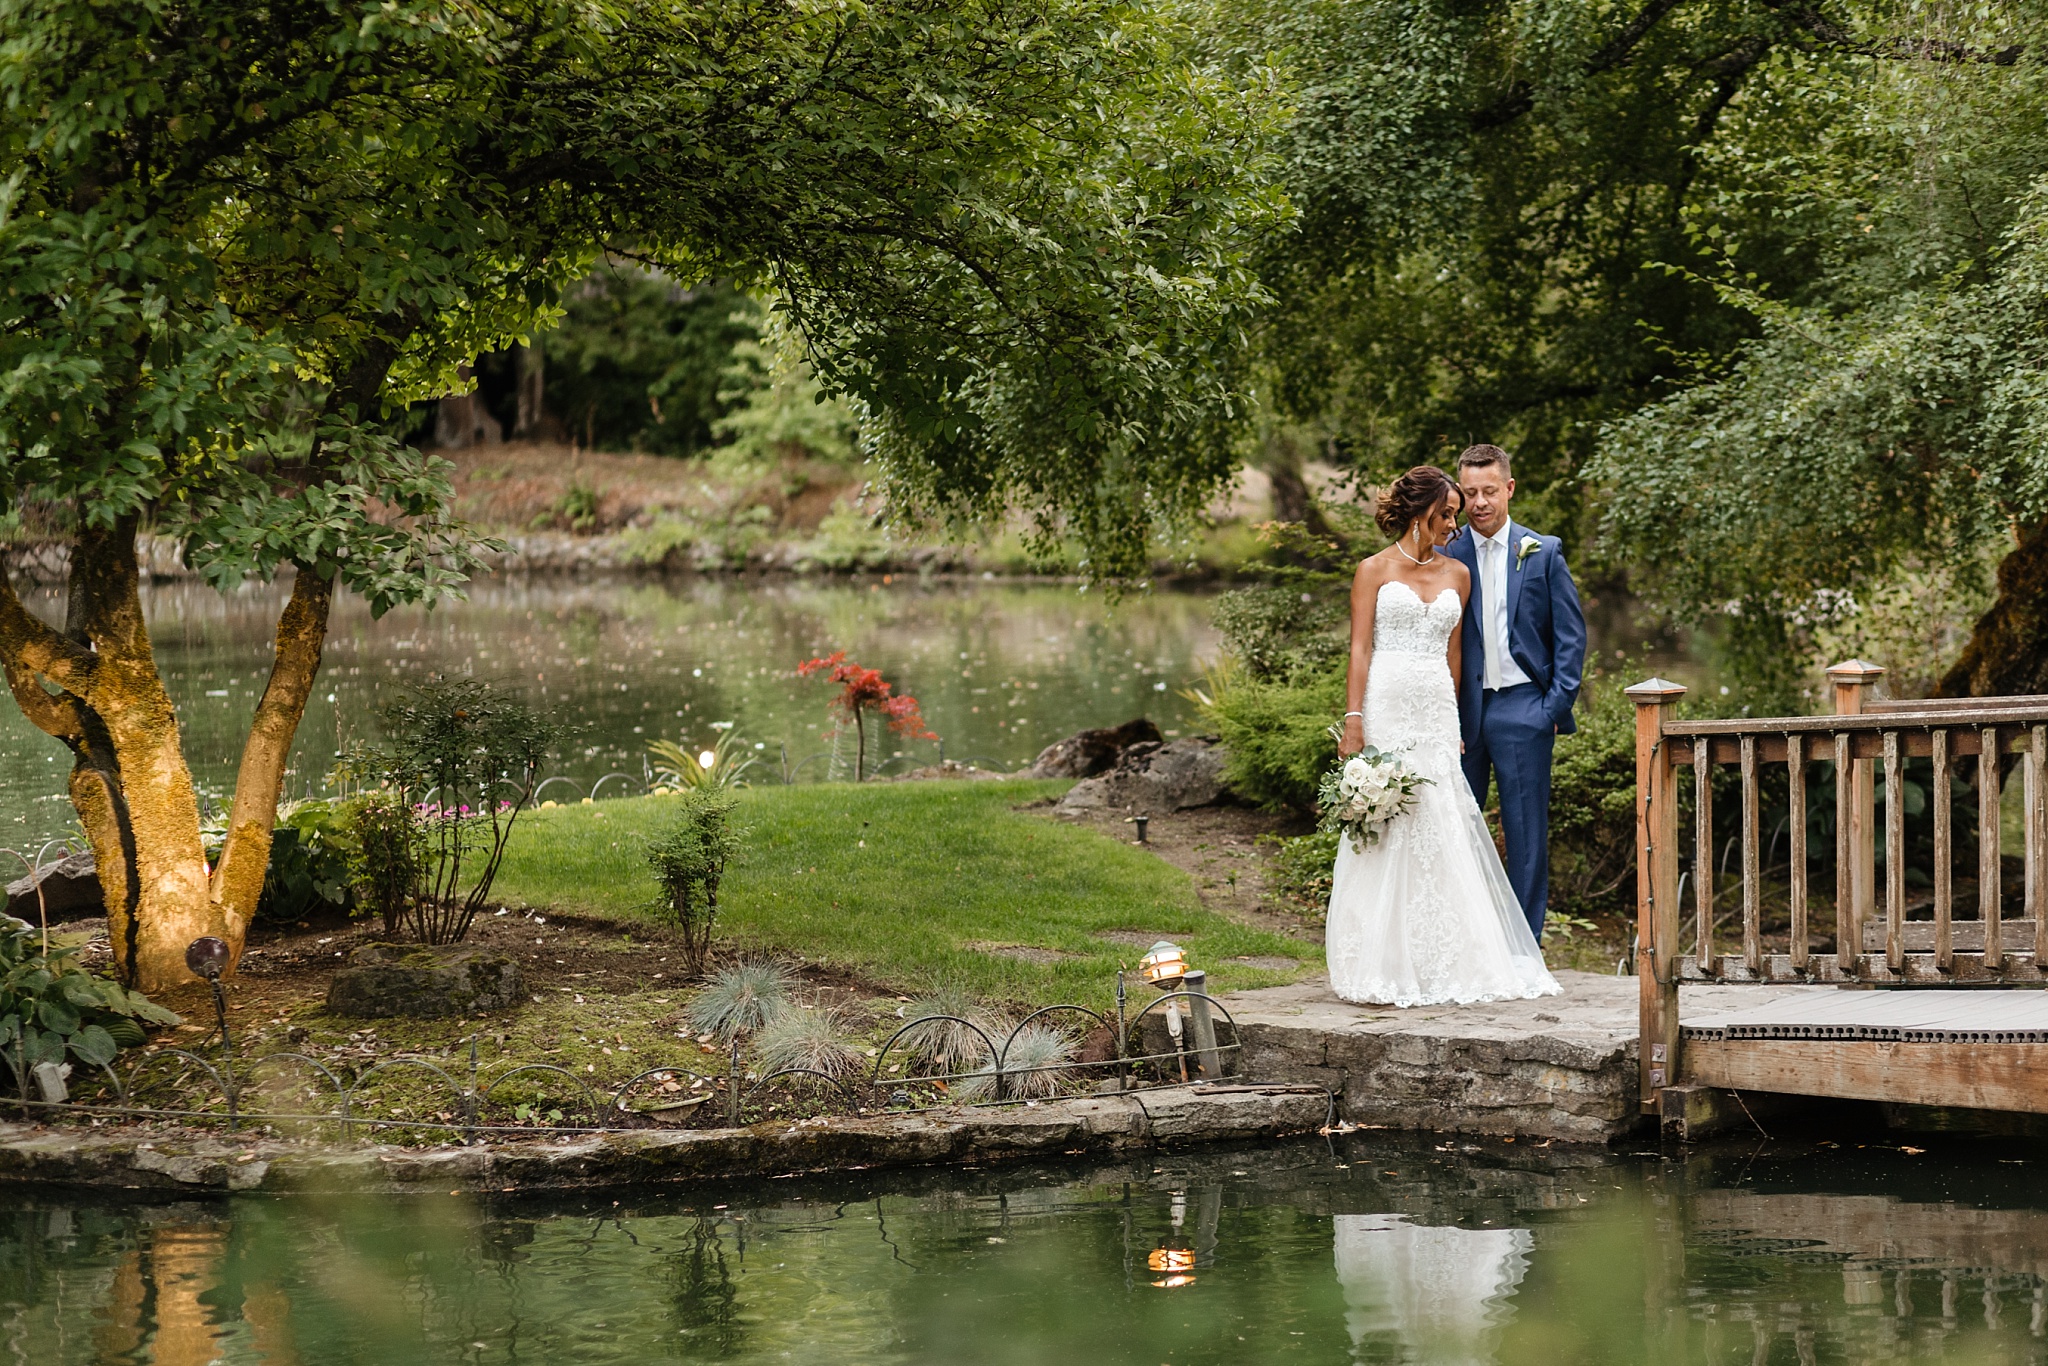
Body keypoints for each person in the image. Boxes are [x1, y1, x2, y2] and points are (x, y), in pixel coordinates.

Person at [1328, 465, 1559, 1007]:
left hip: (1435, 711)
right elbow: (1360, 649)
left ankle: (1445, 955)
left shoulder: (1458, 573)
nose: (1456, 523)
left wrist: (1454, 723)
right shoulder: (1372, 570)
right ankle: (1383, 956)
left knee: (1442, 822)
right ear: (1419, 512)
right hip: (1387, 704)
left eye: (1456, 514)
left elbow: (1455, 656)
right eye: (1448, 513)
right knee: (1389, 820)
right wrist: (1354, 719)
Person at [1442, 445, 1587, 941]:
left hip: (1525, 707)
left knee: (1526, 834)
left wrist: (1553, 707)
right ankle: (1466, 940)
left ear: (1509, 488)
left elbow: (1570, 636)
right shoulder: (1446, 553)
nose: (1479, 502)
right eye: (1470, 493)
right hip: (1461, 712)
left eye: (1489, 491)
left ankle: (1525, 947)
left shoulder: (1542, 551)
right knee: (1456, 828)